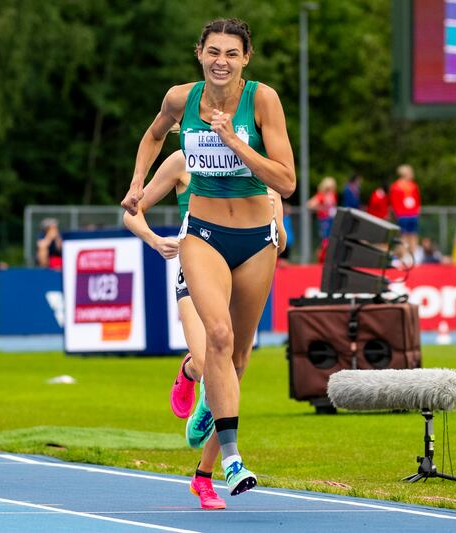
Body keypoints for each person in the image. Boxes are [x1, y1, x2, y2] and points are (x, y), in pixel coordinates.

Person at [121, 18, 296, 497]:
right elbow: (154, 134)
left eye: (232, 53)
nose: (222, 61)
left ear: (246, 59)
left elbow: (286, 181)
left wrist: (236, 142)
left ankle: (206, 446)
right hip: (202, 234)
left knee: (238, 356)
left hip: (256, 240)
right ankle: (234, 460)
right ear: (199, 52)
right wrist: (138, 183)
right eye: (213, 51)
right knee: (216, 336)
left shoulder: (263, 100)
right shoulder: (181, 98)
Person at [124, 149, 285, 509]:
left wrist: (272, 210)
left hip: (247, 265)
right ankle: (189, 371)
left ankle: (204, 475)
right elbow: (131, 212)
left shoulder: (258, 164)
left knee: (232, 369)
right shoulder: (183, 160)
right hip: (198, 266)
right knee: (208, 361)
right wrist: (154, 239)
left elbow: (282, 241)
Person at [390, 164, 421, 258]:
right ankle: (403, 256)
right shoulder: (396, 186)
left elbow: (417, 200)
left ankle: (413, 256)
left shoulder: (413, 186)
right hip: (402, 215)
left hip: (412, 214)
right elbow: (394, 202)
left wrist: (417, 211)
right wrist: (397, 214)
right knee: (403, 236)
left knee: (413, 235)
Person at [306, 177, 337, 264]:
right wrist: (322, 208)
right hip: (324, 221)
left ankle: (326, 260)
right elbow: (309, 204)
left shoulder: (332, 195)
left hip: (330, 220)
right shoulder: (321, 195)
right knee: (324, 242)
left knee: (329, 241)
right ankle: (320, 260)